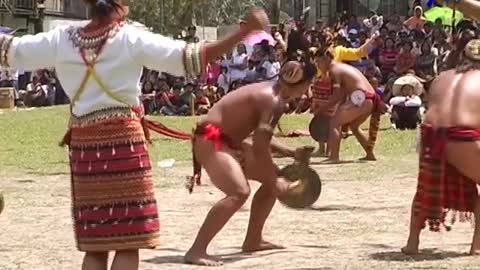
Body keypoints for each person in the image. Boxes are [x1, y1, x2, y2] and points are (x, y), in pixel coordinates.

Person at [0, 0, 269, 269]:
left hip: (85, 147)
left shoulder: (61, 39)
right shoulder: (129, 38)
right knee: (127, 243)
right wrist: (242, 32)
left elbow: (11, 51)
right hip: (125, 144)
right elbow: (190, 58)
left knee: (96, 246)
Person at [186, 60, 317, 266]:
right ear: (304, 83)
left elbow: (259, 137)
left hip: (226, 141)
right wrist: (275, 181)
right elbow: (259, 146)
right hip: (211, 140)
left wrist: (290, 152)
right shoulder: (274, 101)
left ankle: (253, 240)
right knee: (239, 192)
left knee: (271, 178)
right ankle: (196, 250)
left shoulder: (272, 93)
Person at [402, 36, 480, 256]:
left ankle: (412, 242)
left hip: (430, 137)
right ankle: (477, 245)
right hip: (462, 137)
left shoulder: (441, 77)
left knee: (424, 189)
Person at [314, 47, 387, 162]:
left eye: (318, 62)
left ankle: (334, 157)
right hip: (369, 99)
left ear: (326, 59)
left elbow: (337, 96)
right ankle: (370, 154)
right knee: (353, 126)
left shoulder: (334, 69)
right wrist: (335, 109)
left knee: (334, 122)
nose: (317, 65)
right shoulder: (342, 67)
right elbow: (342, 94)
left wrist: (322, 108)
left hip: (361, 98)